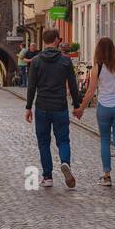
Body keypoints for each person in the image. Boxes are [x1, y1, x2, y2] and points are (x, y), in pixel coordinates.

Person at [75, 37, 115, 187]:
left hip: (104, 108)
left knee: (105, 141)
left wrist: (81, 108)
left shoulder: (97, 67)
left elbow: (90, 91)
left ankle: (107, 176)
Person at [25, 28, 79, 188]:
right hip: (60, 106)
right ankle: (65, 162)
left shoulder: (36, 61)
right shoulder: (65, 60)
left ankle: (47, 177)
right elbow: (73, 85)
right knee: (63, 139)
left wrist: (28, 107)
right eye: (59, 39)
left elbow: (31, 86)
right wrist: (77, 105)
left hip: (42, 106)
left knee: (43, 142)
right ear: (56, 40)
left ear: (43, 41)